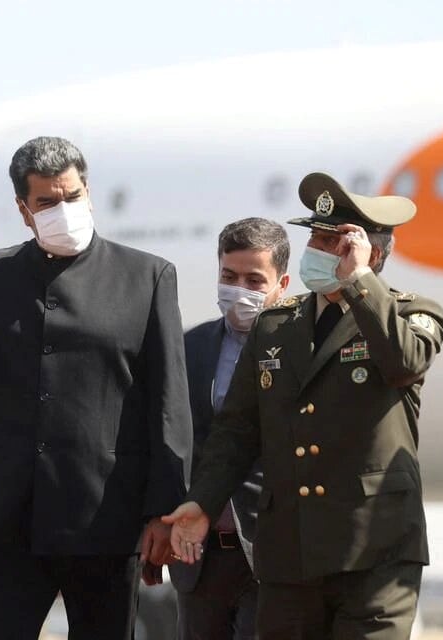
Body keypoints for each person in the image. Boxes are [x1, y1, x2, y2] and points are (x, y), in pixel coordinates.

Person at [0, 136, 192, 640]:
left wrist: (163, 512)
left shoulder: (145, 277)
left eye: (73, 196)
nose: (64, 209)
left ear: (88, 192)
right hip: (4, 522)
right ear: (23, 209)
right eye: (47, 202)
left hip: (104, 519)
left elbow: (168, 403)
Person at [164, 172, 443, 639]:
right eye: (313, 237)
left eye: (331, 241)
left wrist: (359, 281)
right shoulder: (276, 325)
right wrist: (203, 500)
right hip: (290, 555)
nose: (314, 248)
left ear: (369, 253)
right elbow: (237, 429)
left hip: (374, 553)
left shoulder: (409, 313)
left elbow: (404, 362)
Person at [163, 218, 290, 640]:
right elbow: (169, 439)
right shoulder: (190, 348)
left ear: (282, 283)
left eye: (255, 280)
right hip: (200, 556)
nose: (239, 290)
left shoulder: (302, 349)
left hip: (273, 552)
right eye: (229, 276)